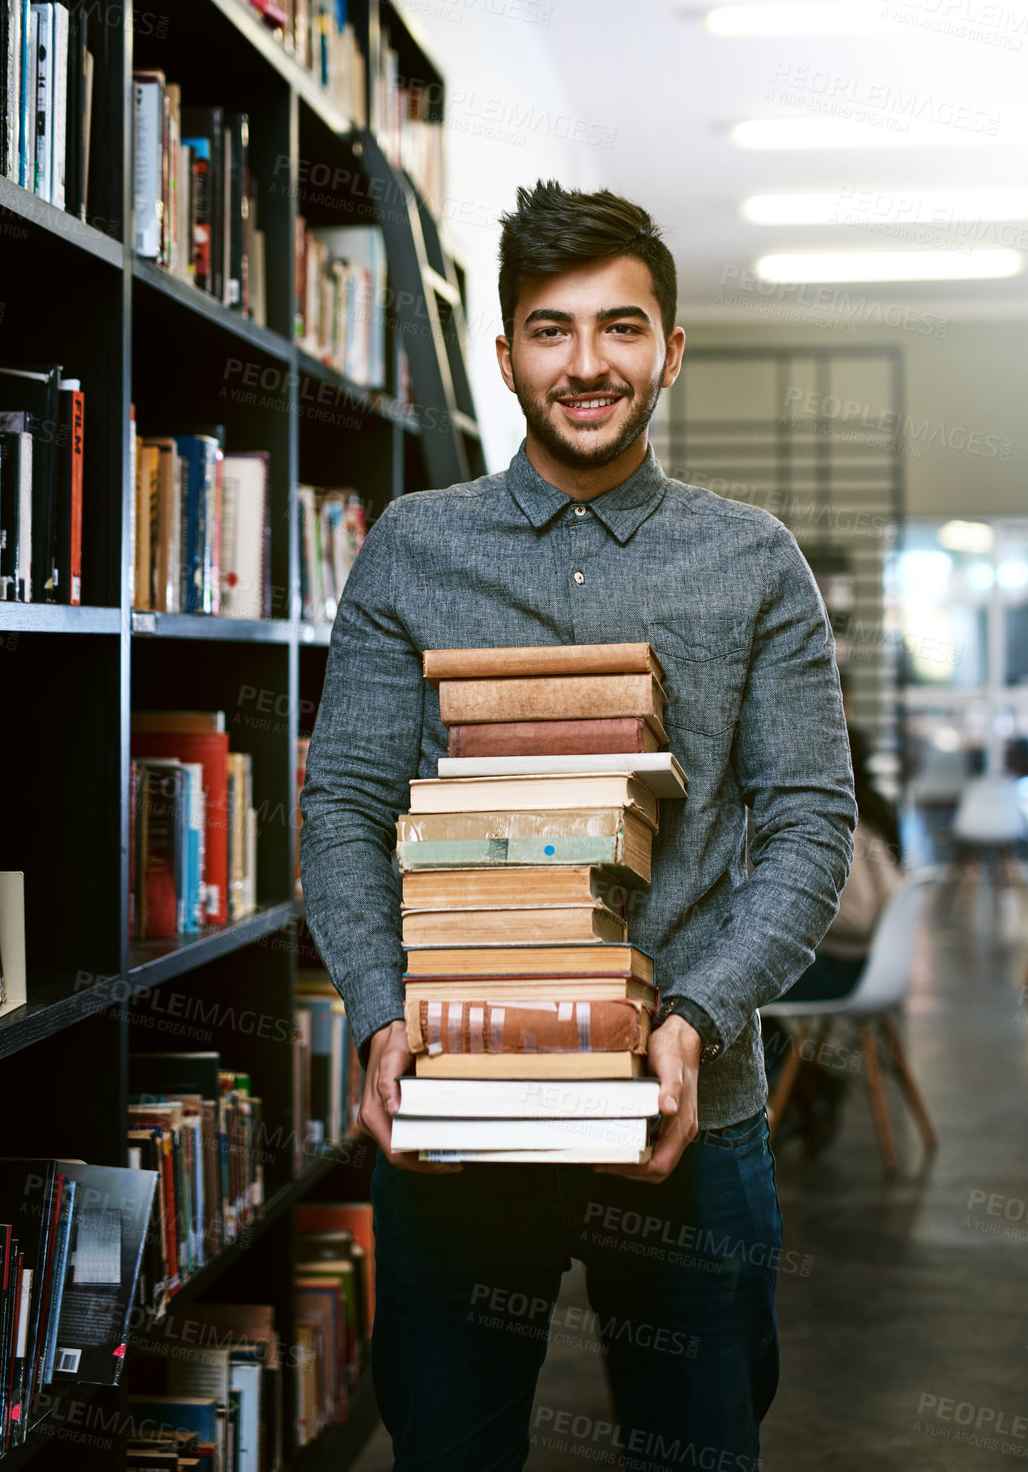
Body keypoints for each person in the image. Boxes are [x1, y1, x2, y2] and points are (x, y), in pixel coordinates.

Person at [299, 180, 856, 1472]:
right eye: (550, 330)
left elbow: (807, 826)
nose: (586, 361)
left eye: (619, 326)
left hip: (688, 1103)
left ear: (668, 347)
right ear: (502, 356)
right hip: (458, 1093)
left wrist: (692, 1019)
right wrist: (380, 1008)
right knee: (447, 1446)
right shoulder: (412, 548)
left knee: (698, 1447)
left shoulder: (752, 559)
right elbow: (345, 804)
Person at [763, 722, 902, 1150]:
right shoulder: (875, 810)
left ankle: (802, 1092)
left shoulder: (847, 824)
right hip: (872, 964)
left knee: (744, 991)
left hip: (852, 968)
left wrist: (794, 905)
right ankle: (810, 1088)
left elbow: (857, 916)